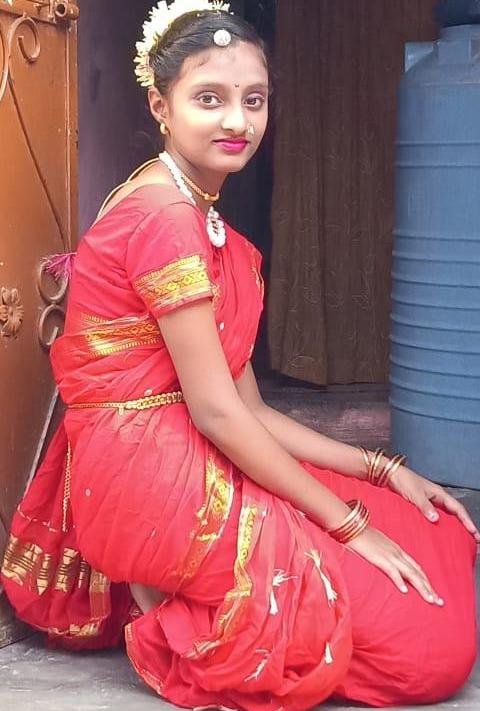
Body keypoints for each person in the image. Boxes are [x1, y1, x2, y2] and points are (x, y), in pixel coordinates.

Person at [2, 2, 478, 709]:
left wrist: (381, 469)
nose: (238, 121)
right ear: (161, 107)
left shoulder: (198, 213)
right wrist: (347, 524)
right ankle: (177, 618)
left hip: (190, 436)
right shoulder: (166, 220)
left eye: (254, 100)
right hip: (149, 465)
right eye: (209, 99)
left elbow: (247, 407)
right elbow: (220, 413)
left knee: (422, 527)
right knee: (428, 651)